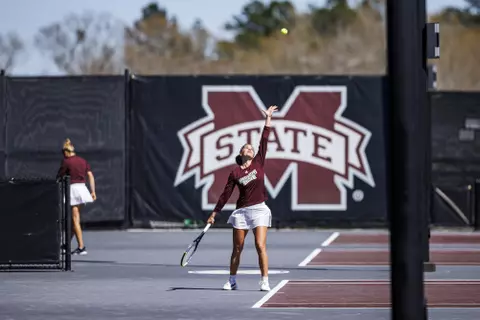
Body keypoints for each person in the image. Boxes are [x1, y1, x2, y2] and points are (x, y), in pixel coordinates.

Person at [207, 105, 278, 292]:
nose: (249, 148)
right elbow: (226, 194)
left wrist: (268, 118)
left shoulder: (258, 162)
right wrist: (215, 213)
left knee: (260, 245)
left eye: (251, 148)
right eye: (246, 148)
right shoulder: (235, 172)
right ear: (241, 154)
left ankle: (264, 281)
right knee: (237, 248)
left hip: (260, 209)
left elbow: (264, 138)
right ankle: (232, 280)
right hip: (242, 212)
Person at [57, 138, 96, 255]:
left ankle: (81, 247)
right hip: (83, 189)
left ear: (66, 152)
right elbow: (90, 175)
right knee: (75, 220)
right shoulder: (83, 161)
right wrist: (93, 191)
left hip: (73, 190)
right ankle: (66, 245)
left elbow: (59, 175)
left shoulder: (66, 161)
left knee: (75, 220)